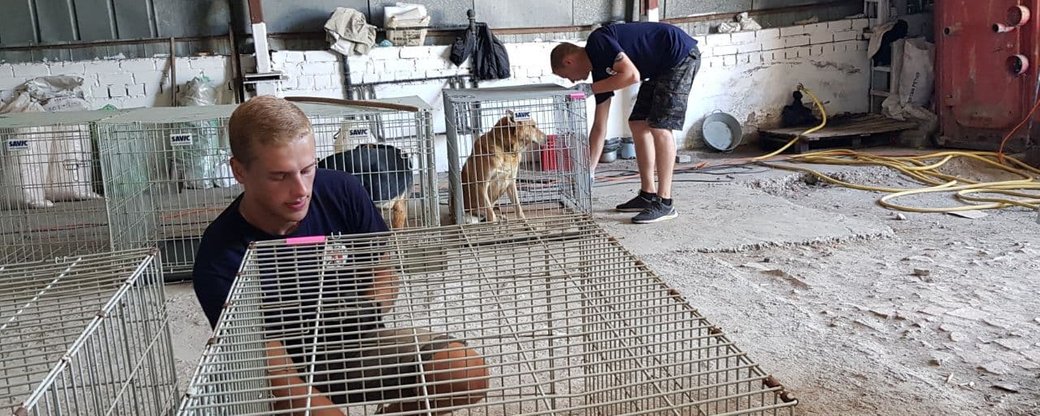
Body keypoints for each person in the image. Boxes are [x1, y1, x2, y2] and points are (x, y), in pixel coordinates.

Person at [192, 96, 488, 415]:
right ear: (239, 171)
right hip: (272, 368)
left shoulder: (340, 190)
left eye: (308, 169)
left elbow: (383, 269)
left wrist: (370, 305)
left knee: (465, 373)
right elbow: (274, 369)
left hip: (350, 342)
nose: (301, 190)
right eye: (280, 176)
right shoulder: (218, 260)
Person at [550, 22, 700, 224]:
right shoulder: (600, 72)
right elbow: (599, 125)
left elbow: (631, 75)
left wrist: (591, 89)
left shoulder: (598, 42)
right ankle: (648, 195)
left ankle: (665, 203)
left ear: (569, 62)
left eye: (566, 76)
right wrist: (590, 171)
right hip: (659, 68)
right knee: (638, 123)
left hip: (679, 56)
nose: (571, 81)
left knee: (660, 125)